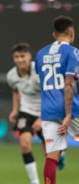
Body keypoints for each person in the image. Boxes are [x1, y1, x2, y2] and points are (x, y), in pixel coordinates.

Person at [35, 15, 79, 184]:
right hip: (72, 111)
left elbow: (42, 85)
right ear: (72, 33)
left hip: (48, 111)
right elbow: (68, 84)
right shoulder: (73, 52)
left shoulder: (40, 55)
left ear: (54, 35)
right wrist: (68, 115)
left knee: (52, 157)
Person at [7, 43, 45, 184]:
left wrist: (42, 118)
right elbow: (16, 90)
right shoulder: (11, 75)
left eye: (22, 56)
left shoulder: (40, 70)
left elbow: (49, 93)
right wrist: (15, 110)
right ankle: (34, 181)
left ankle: (61, 155)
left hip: (45, 110)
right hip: (26, 111)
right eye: (16, 57)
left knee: (49, 151)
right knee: (25, 144)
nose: (20, 60)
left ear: (29, 56)